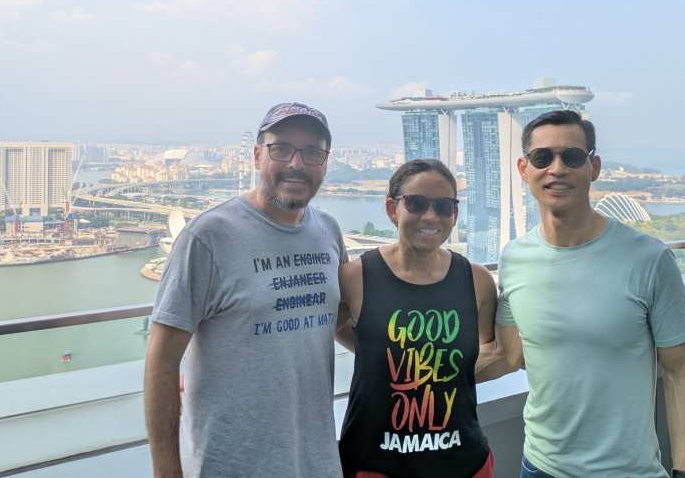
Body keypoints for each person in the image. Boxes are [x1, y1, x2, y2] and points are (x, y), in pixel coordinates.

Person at [144, 102, 347, 478]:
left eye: (313, 152)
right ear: (257, 155)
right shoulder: (207, 237)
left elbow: (345, 322)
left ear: (325, 161)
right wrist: (166, 471)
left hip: (316, 463)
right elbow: (161, 359)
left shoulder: (328, 232)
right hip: (230, 465)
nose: (296, 164)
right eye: (281, 148)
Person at [492, 110, 685, 478]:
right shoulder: (514, 258)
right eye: (542, 157)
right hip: (538, 467)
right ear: (523, 168)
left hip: (627, 471)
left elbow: (679, 370)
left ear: (593, 167)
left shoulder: (649, 258)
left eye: (573, 156)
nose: (557, 168)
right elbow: (510, 354)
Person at [337, 159, 498, 477]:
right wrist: (376, 355)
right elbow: (332, 327)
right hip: (375, 464)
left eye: (443, 206)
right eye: (417, 203)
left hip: (462, 462)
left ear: (455, 213)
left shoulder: (476, 281)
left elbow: (491, 350)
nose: (430, 216)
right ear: (392, 208)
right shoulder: (356, 277)